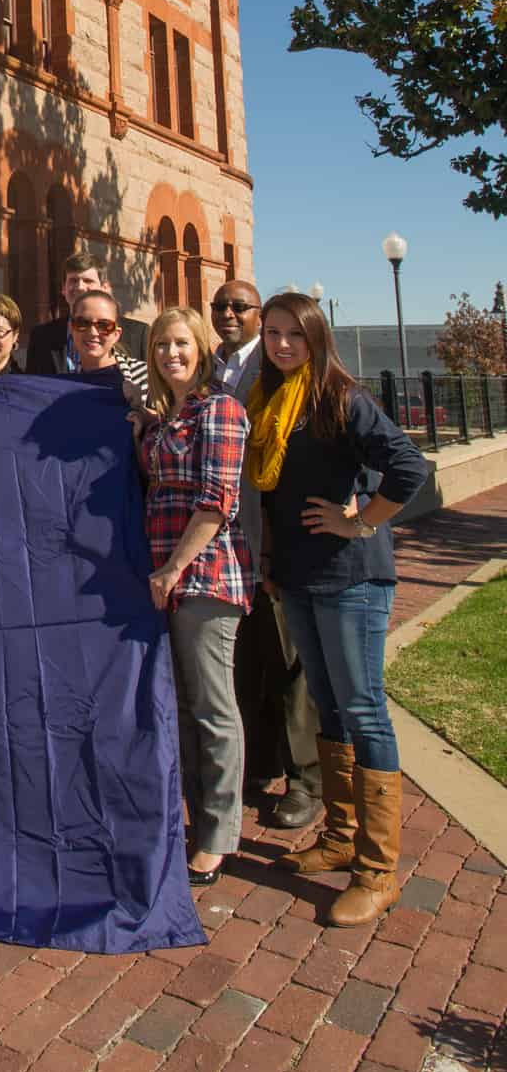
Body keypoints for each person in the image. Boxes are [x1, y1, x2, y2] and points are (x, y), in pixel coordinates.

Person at [253, 293, 428, 926]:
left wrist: (361, 521)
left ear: (316, 337)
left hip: (351, 579)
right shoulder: (273, 402)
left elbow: (410, 468)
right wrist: (272, 563)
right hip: (299, 578)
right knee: (327, 706)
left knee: (363, 710)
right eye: (272, 333)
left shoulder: (341, 398)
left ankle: (378, 870)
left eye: (293, 335)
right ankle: (340, 836)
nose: (280, 345)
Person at [139, 308, 254, 887]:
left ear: (201, 348)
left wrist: (173, 569)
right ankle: (192, 817)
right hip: (167, 580)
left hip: (204, 579)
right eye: (161, 345)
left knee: (213, 708)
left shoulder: (221, 409)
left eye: (180, 343)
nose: (170, 354)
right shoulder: (166, 416)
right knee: (181, 707)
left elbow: (217, 501)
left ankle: (218, 834)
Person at [217, 280, 322, 832]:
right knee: (251, 660)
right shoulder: (217, 366)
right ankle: (260, 764)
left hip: (277, 541)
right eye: (221, 307)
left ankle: (307, 780)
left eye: (240, 306)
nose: (229, 314)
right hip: (234, 540)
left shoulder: (283, 367)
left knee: (291, 665)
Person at [25, 251, 149, 379]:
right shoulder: (41, 337)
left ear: (104, 287)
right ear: (63, 289)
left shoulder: (138, 335)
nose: (80, 287)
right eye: (73, 281)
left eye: (88, 281)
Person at [64, 288, 149, 400]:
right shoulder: (61, 384)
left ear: (116, 334)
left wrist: (141, 411)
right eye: (83, 323)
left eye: (104, 325)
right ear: (72, 329)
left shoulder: (146, 378)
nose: (93, 333)